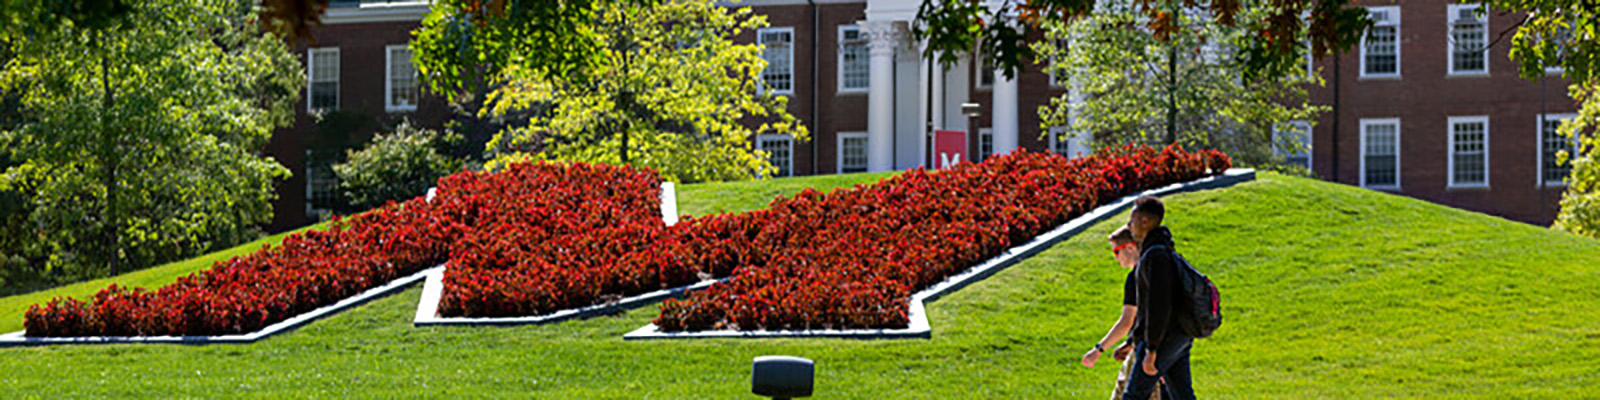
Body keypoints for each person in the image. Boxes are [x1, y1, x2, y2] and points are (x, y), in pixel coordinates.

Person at [1123, 196, 1195, 400]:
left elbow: (1158, 306)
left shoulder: (1156, 256)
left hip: (1163, 338)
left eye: (1132, 218)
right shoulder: (1162, 251)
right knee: (1181, 395)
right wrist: (1131, 341)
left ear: (1145, 222)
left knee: (1134, 395)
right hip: (1178, 335)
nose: (1129, 225)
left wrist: (1152, 349)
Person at [1081, 226, 1160, 400]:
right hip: (1161, 349)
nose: (1115, 258)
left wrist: (1098, 350)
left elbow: (1127, 321)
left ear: (1130, 247)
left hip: (1146, 352)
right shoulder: (1154, 270)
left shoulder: (1135, 277)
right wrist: (1129, 343)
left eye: (1117, 252)